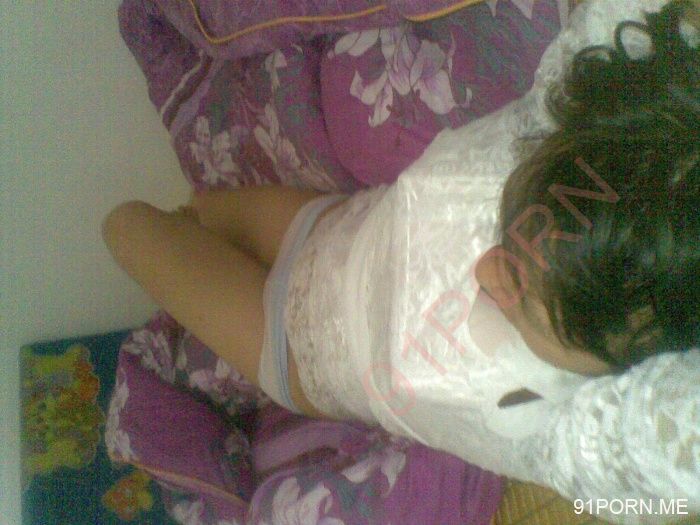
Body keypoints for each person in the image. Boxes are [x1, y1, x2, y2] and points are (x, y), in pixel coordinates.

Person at [102, 0, 699, 512]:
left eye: (518, 286)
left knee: (124, 225)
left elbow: (675, 460)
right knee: (197, 212)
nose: (482, 269)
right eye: (512, 232)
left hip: (289, 344)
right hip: (322, 222)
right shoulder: (568, 141)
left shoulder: (569, 433)